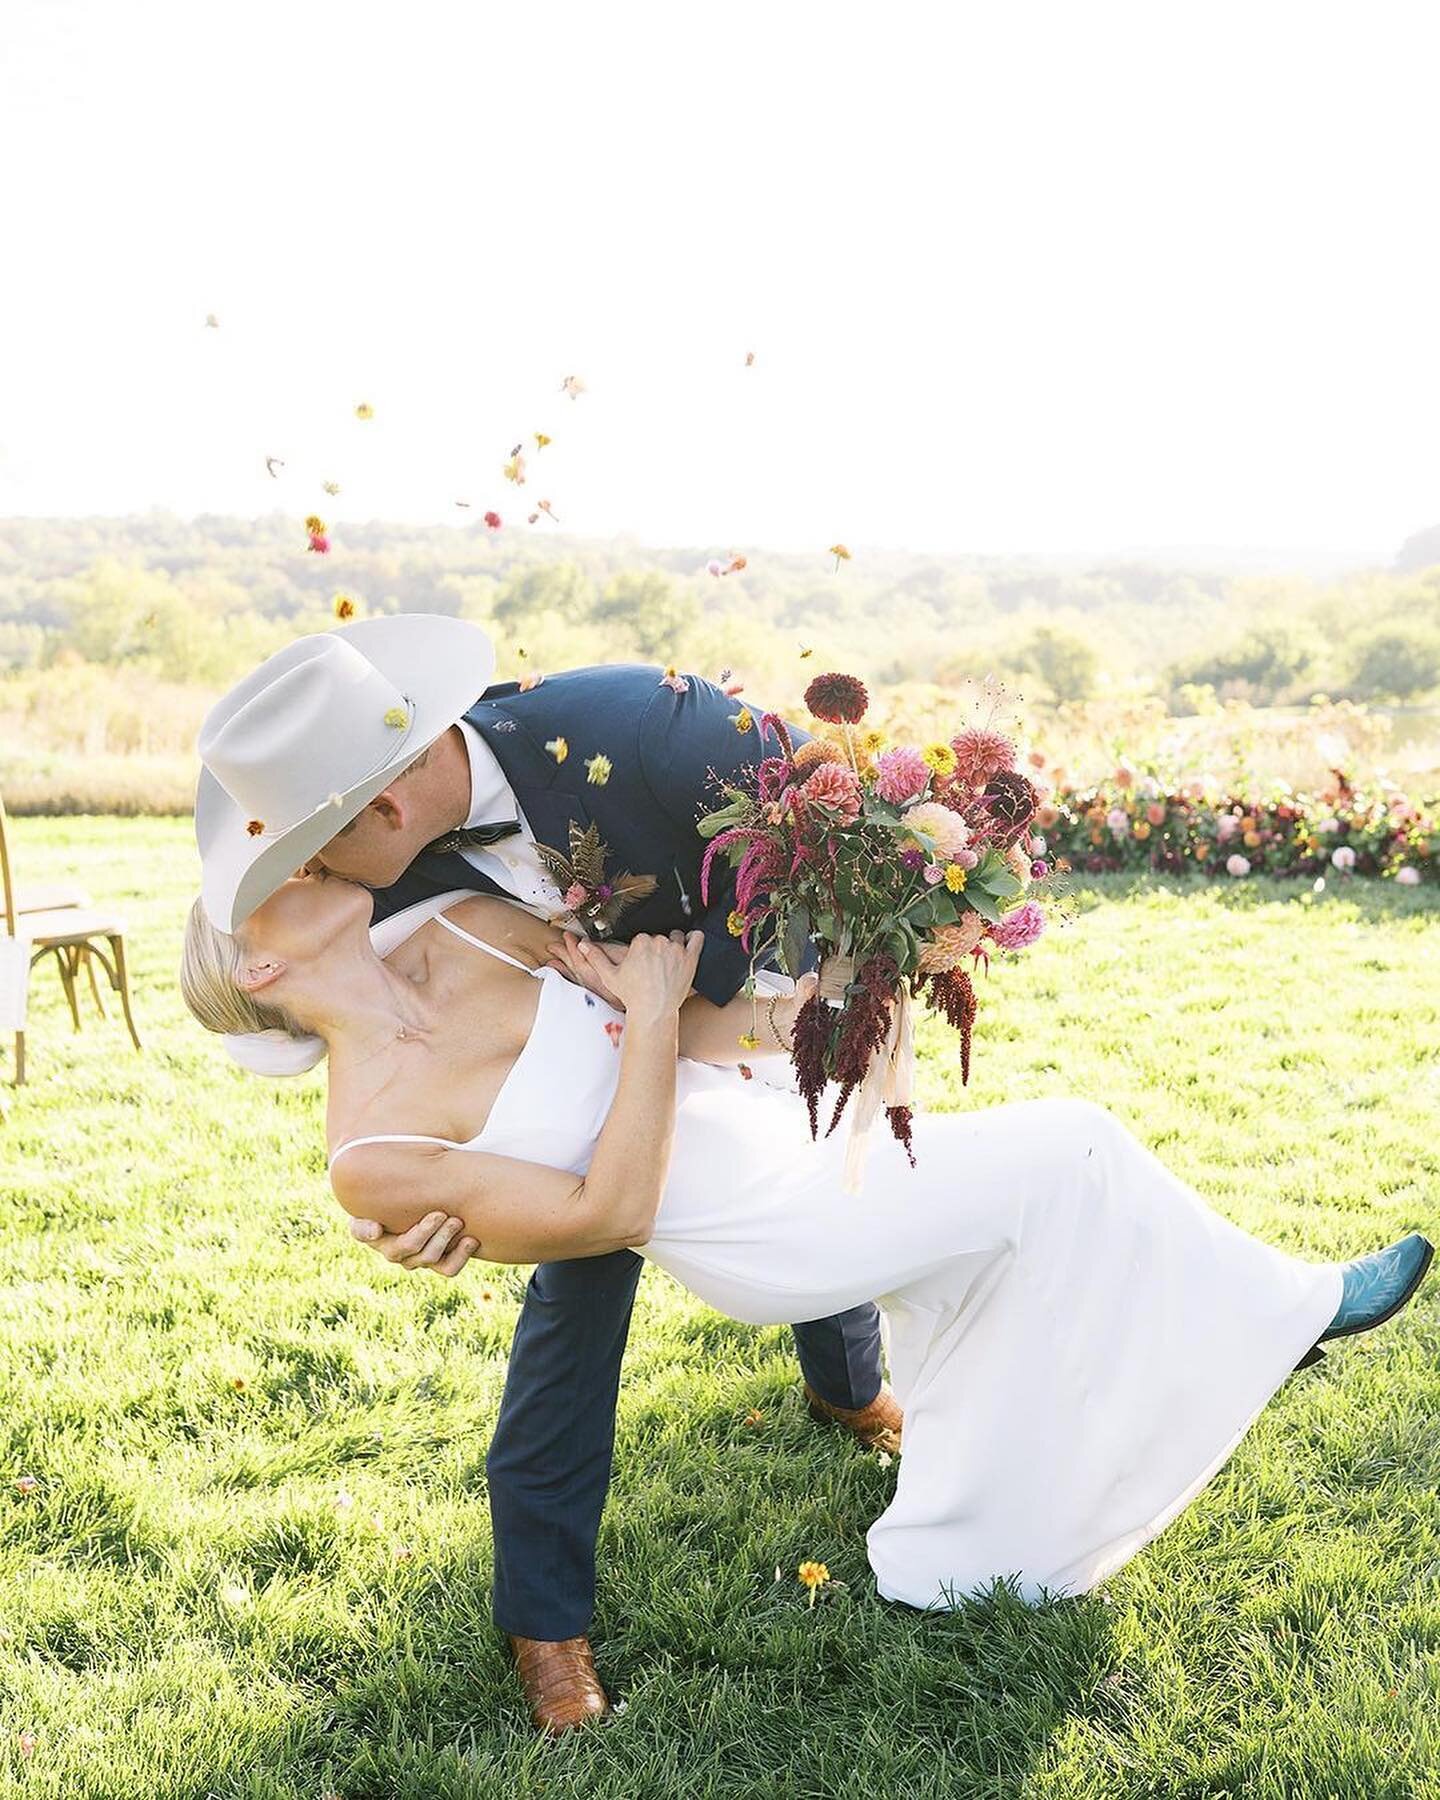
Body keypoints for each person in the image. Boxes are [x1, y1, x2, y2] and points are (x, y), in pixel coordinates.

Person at [181, 864, 1433, 1734]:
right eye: (278, 875)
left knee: (1006, 1250)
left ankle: (968, 1540)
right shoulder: (372, 1150)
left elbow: (684, 1013)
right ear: (262, 957)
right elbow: (607, 1214)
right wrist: (653, 1021)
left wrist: (798, 1014)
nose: (316, 854)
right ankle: (1291, 1313)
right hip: (751, 1226)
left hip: (772, 1127)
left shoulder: (461, 923)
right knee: (1073, 1148)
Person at [191, 615, 898, 1732]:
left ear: (380, 805)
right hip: (573, 1086)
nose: (315, 870)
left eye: (318, 851)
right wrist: (399, 1201)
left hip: (732, 992)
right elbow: (326, 1020)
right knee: (578, 1289)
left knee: (806, 1167)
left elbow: (809, 875)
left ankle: (849, 1386)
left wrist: (679, 1001)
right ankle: (545, 1627)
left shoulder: (647, 722)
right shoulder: (373, 863)